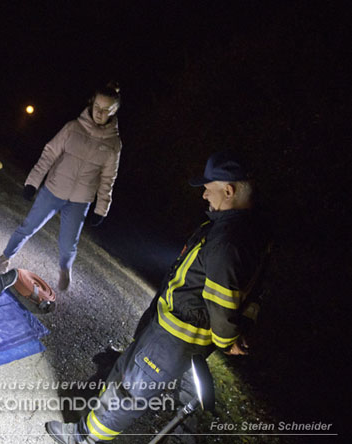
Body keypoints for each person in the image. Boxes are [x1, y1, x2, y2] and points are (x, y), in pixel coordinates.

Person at [45, 151, 271, 444]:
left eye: (208, 188)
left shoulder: (227, 236)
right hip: (182, 336)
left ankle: (82, 438)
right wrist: (240, 333)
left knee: (130, 389)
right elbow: (255, 292)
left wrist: (228, 339)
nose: (204, 195)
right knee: (140, 380)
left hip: (174, 337)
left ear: (229, 190)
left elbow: (221, 299)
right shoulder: (255, 232)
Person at [0, 82, 123, 291]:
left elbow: (109, 177)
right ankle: (5, 257)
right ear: (91, 103)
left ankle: (65, 269)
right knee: (28, 226)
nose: (99, 113)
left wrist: (102, 208)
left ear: (114, 111)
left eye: (105, 109)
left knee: (68, 245)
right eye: (97, 106)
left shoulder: (114, 144)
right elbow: (49, 154)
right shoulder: (73, 128)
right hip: (54, 190)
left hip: (80, 201)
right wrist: (32, 182)